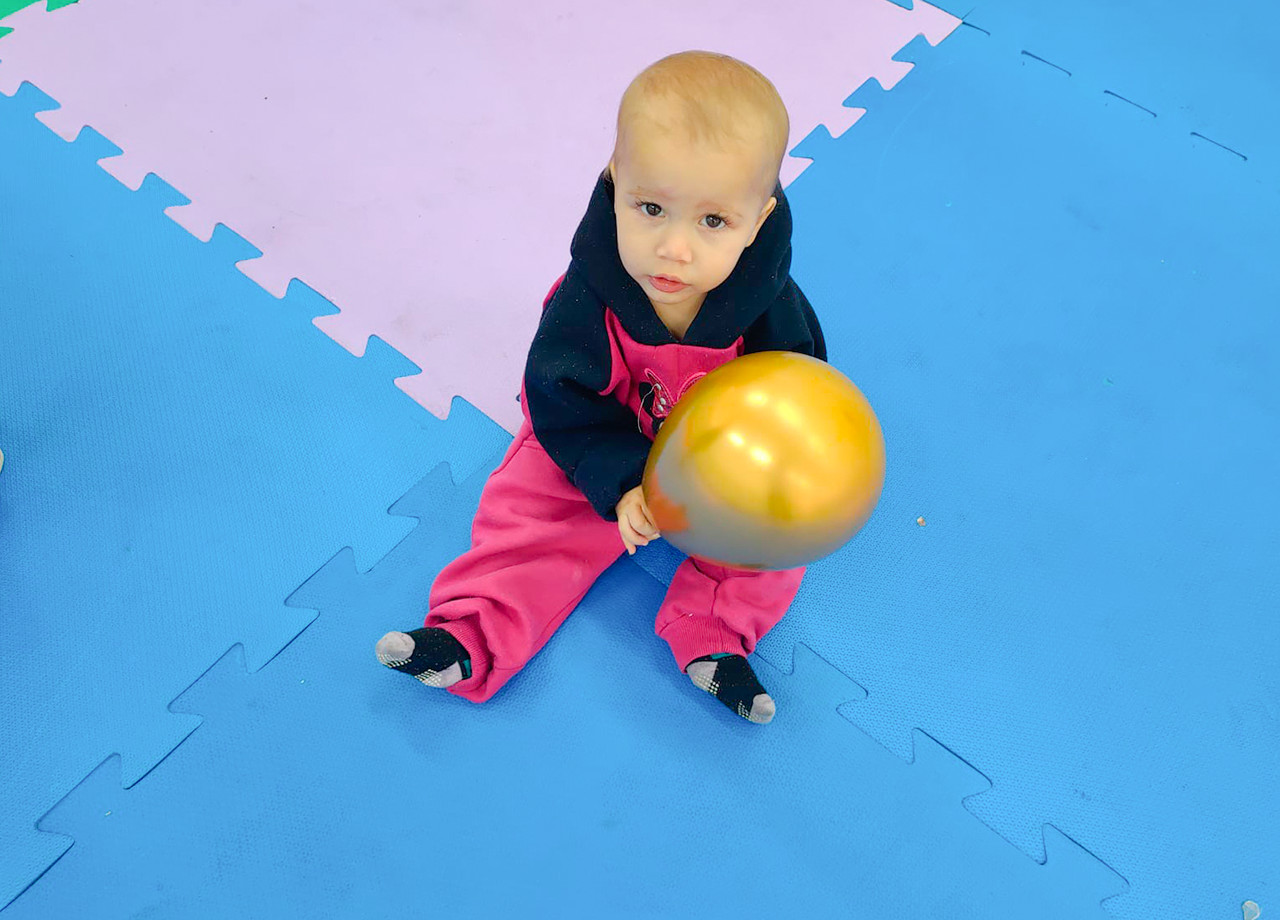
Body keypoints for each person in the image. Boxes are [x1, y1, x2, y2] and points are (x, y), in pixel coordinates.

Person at [376, 50, 826, 723]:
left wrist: (757, 476)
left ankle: (714, 635)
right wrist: (623, 483)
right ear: (615, 186)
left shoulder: (772, 309)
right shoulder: (590, 298)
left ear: (757, 222)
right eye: (650, 207)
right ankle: (471, 631)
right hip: (598, 426)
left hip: (713, 454)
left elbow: (795, 400)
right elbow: (561, 400)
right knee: (529, 504)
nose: (674, 248)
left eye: (712, 222)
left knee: (776, 535)